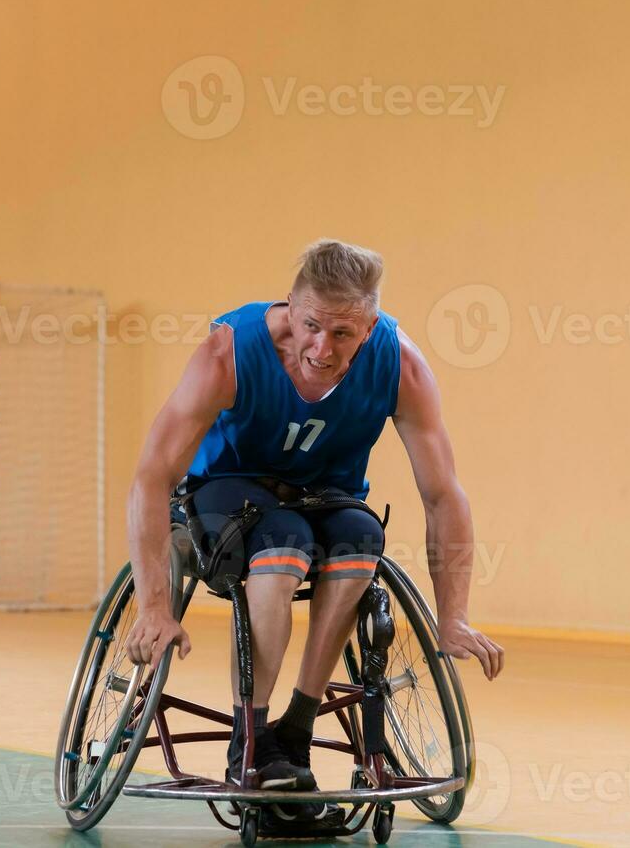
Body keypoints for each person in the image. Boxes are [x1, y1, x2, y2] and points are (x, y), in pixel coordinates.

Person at [123, 238, 505, 794]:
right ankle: (249, 740)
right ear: (291, 307)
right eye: (310, 327)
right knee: (284, 542)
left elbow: (444, 494)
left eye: (343, 334)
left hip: (326, 497)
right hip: (227, 493)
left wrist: (455, 615)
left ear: (369, 329)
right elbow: (151, 476)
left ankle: (295, 731)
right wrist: (154, 605)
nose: (322, 349)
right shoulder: (227, 354)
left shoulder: (401, 366)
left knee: (361, 538)